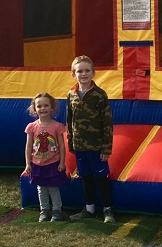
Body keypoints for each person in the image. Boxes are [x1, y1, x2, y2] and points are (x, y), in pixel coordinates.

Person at [66, 55, 115, 224]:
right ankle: (89, 209)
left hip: (97, 147)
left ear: (93, 73)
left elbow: (107, 123)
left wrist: (106, 148)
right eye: (80, 71)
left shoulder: (99, 95)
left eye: (87, 71)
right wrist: (71, 142)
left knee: (101, 178)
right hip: (80, 147)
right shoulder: (71, 94)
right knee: (85, 177)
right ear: (74, 74)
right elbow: (69, 120)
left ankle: (108, 210)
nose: (83, 74)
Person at [23, 92, 68, 222]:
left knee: (53, 188)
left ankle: (57, 210)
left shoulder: (57, 126)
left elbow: (61, 146)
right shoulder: (32, 127)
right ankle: (44, 210)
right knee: (41, 188)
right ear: (35, 109)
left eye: (46, 105)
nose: (43, 108)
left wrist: (62, 162)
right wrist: (28, 163)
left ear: (52, 108)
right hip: (37, 163)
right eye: (39, 106)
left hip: (53, 163)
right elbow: (29, 146)